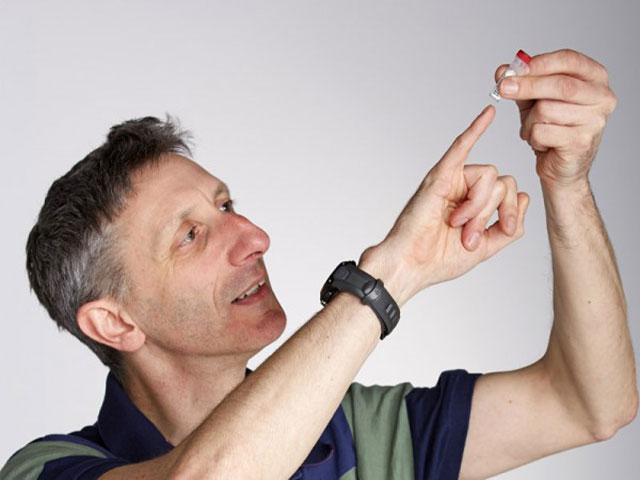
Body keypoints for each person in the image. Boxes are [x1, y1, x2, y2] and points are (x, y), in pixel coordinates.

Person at [0, 48, 636, 480]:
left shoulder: (364, 431)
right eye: (191, 234)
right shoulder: (49, 469)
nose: (254, 237)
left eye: (228, 205)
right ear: (115, 324)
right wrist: (387, 279)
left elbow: (590, 402)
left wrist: (568, 185)